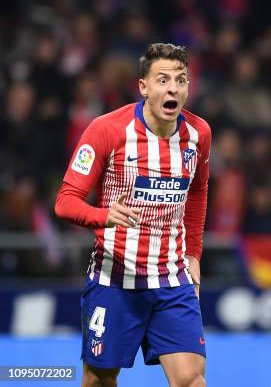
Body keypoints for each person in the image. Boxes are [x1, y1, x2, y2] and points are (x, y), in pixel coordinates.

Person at [55, 43, 210, 387]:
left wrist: (194, 255)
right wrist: (103, 215)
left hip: (172, 280)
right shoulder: (106, 130)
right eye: (163, 80)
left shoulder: (199, 135)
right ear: (143, 87)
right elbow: (65, 201)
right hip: (114, 280)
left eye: (181, 80)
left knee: (190, 380)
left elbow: (197, 192)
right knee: (98, 379)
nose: (173, 88)